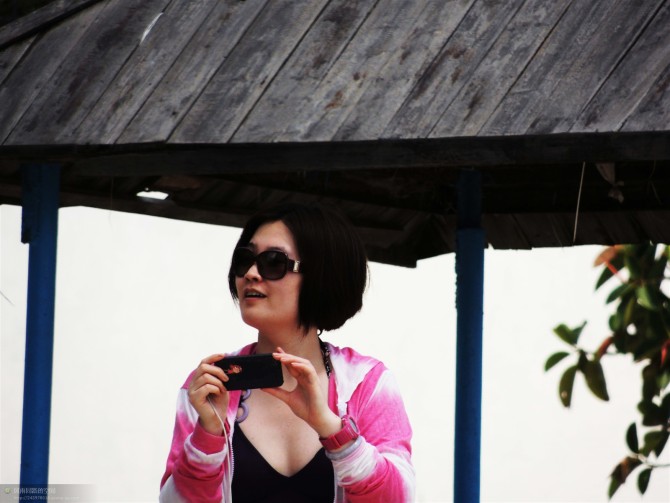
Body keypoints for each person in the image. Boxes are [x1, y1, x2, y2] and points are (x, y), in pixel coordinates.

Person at [159, 202, 415, 502]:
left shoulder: (367, 384)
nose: (251, 273)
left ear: (322, 275)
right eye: (244, 260)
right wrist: (207, 437)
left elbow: (398, 498)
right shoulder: (210, 385)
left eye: (273, 262)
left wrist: (332, 429)